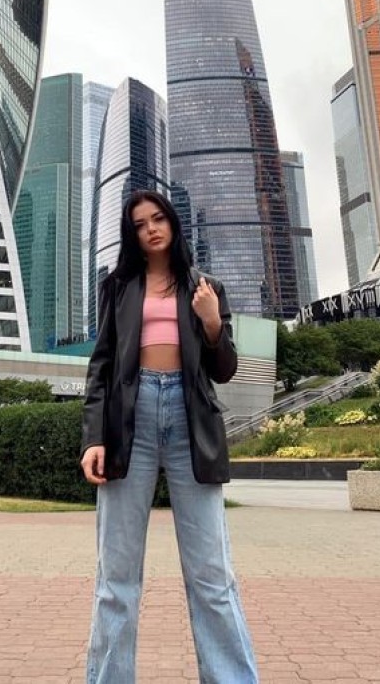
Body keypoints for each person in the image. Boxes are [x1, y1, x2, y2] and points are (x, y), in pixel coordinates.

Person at [81, 189, 258, 684]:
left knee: (212, 576)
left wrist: (212, 322)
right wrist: (93, 437)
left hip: (189, 421)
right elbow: (101, 366)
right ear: (131, 234)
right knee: (116, 577)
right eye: (140, 224)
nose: (151, 229)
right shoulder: (118, 287)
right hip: (129, 422)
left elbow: (224, 370)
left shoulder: (205, 287)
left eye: (158, 218)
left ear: (173, 223)